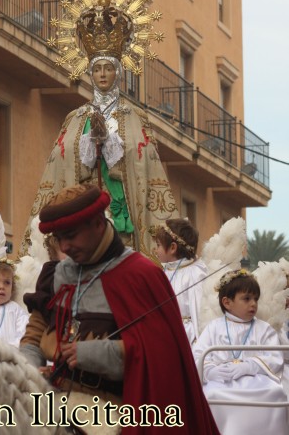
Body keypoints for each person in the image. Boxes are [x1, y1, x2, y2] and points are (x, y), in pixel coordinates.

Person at [20, 183, 219, 434]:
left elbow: (159, 356)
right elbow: (37, 328)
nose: (65, 247)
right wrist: (27, 369)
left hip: (120, 409)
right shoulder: (55, 275)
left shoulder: (141, 276)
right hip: (55, 395)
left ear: (98, 224)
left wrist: (92, 354)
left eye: (71, 236)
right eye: (59, 239)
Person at [20, 0, 178, 262]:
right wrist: (90, 146)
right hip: (85, 217)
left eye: (108, 69)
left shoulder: (133, 118)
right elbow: (62, 164)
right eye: (96, 69)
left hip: (122, 219)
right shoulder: (75, 118)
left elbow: (142, 164)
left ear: (118, 73)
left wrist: (111, 145)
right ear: (89, 73)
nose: (102, 75)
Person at [193, 269, 288, 435]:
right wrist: (210, 370)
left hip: (256, 380)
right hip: (221, 381)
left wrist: (250, 366)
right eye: (246, 299)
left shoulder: (263, 328)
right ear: (227, 302)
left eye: (255, 299)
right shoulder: (214, 327)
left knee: (275, 391)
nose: (253, 304)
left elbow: (275, 357)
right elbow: (197, 355)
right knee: (212, 393)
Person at [151, 217, 207, 346]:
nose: (156, 250)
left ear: (172, 248)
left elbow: (199, 314)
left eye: (158, 245)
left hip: (185, 337)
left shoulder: (195, 274)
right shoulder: (164, 271)